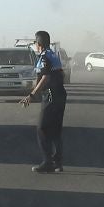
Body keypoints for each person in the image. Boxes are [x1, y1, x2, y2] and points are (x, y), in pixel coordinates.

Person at [19, 29, 67, 173]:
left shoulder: (45, 57)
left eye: (34, 42)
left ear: (38, 44)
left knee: (42, 128)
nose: (34, 45)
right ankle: (57, 162)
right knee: (55, 130)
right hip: (60, 94)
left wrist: (32, 95)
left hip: (51, 96)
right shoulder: (52, 54)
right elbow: (61, 74)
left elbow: (45, 77)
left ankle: (47, 162)